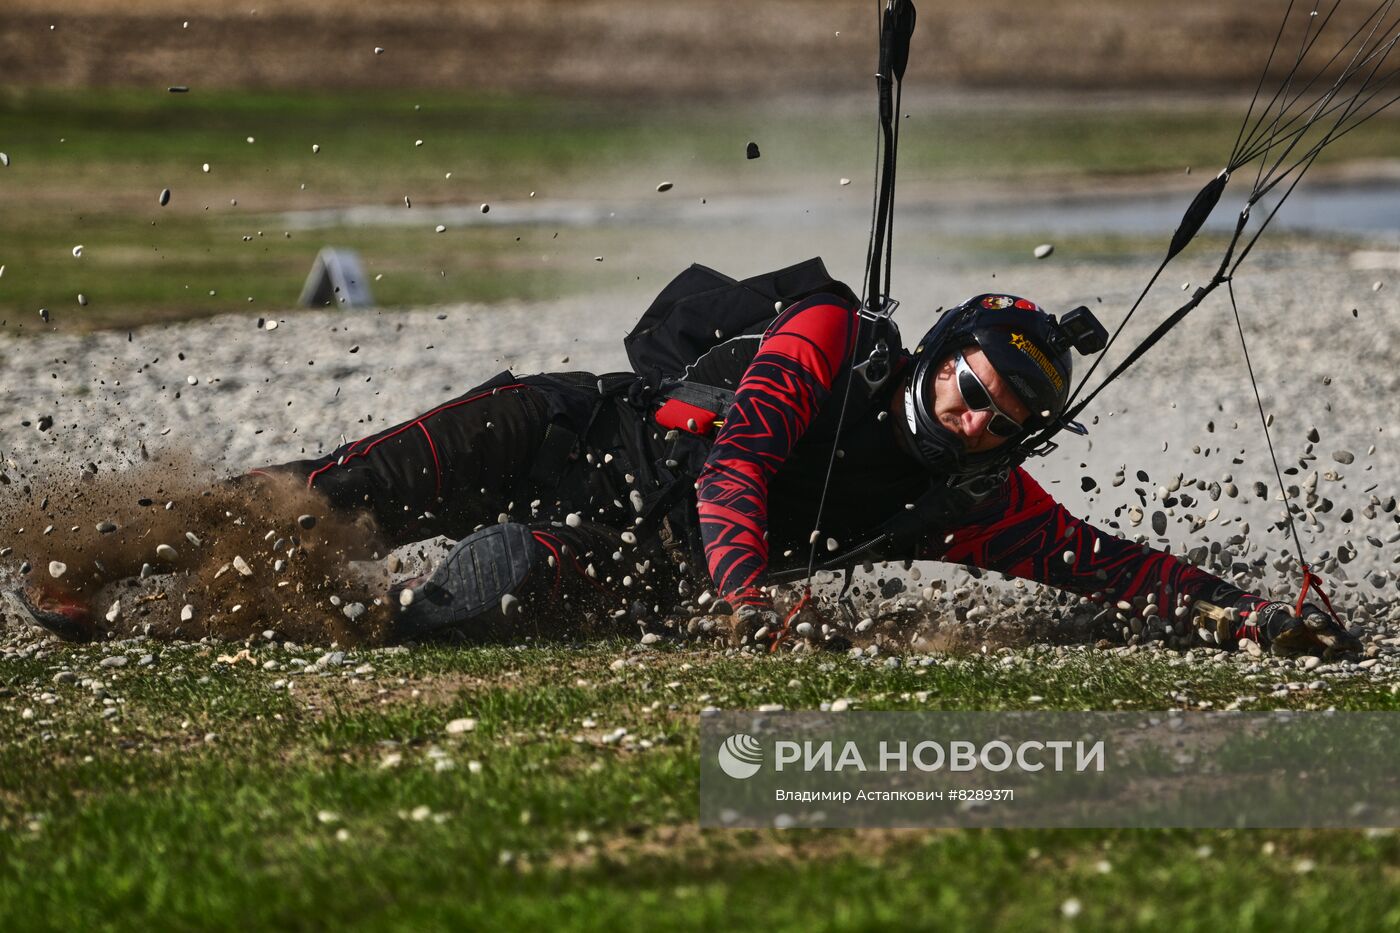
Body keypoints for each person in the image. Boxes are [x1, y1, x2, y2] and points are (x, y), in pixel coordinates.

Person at [4, 271, 1359, 656]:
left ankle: (191, 623)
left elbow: (1100, 562)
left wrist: (1247, 613)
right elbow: (741, 463)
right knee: (320, 498)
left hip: (607, 554)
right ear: (940, 350)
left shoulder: (969, 499)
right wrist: (748, 587)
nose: (976, 412)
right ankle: (98, 559)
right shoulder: (832, 336)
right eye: (971, 377)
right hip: (553, 430)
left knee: (448, 618)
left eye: (1005, 411)